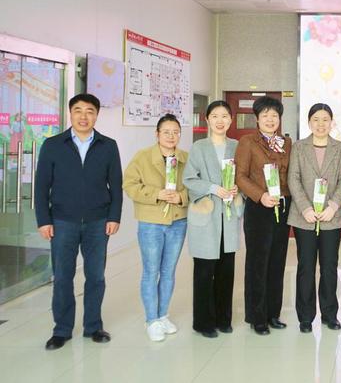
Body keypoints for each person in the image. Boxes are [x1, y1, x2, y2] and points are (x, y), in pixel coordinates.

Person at [35, 93, 122, 351]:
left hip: (98, 222)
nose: (84, 116)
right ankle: (61, 330)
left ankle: (93, 326)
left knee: (95, 276)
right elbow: (41, 187)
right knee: (63, 277)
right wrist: (43, 220)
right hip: (62, 221)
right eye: (78, 110)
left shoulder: (108, 146)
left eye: (90, 111)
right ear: (70, 113)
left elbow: (116, 186)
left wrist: (114, 216)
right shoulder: (53, 145)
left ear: (97, 115)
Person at [122, 113, 189, 342]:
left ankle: (163, 315)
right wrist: (157, 194)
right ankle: (151, 320)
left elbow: (193, 186)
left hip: (178, 221)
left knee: (169, 271)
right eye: (166, 132)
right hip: (151, 222)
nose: (171, 136)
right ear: (157, 134)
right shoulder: (142, 157)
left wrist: (181, 197)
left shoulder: (185, 158)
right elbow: (129, 185)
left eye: (176, 132)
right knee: (151, 271)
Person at [287, 103, 341, 333]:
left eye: (325, 119)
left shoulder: (340, 148)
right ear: (309, 122)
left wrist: (333, 206)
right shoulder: (299, 147)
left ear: (332, 122)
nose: (321, 124)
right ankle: (305, 317)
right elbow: (293, 179)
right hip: (304, 217)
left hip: (331, 217)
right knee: (305, 267)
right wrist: (305, 208)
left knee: (329, 267)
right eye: (316, 119)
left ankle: (329, 314)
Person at [183, 101, 242, 338]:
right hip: (207, 215)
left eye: (225, 116)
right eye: (215, 116)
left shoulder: (237, 146)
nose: (220, 120)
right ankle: (203, 322)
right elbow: (189, 179)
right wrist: (213, 188)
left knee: (227, 270)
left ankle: (223, 319)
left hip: (228, 216)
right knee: (204, 271)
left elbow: (245, 175)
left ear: (231, 120)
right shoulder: (199, 147)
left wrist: (237, 188)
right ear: (207, 119)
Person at [235, 96, 292, 335]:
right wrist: (261, 196)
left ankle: (273, 314)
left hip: (283, 205)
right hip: (259, 207)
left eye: (274, 115)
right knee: (258, 262)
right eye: (265, 115)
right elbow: (240, 176)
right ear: (257, 119)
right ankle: (257, 316)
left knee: (278, 261)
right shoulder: (248, 142)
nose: (270, 120)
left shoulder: (286, 142)